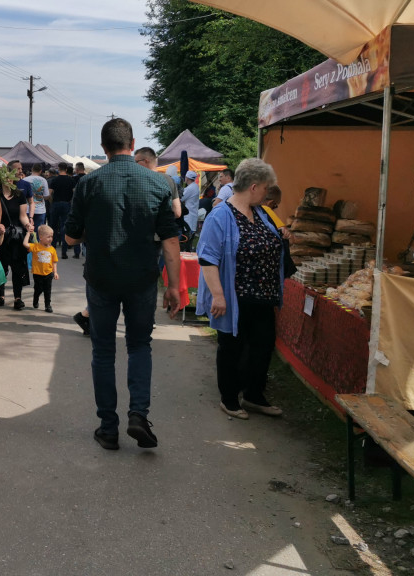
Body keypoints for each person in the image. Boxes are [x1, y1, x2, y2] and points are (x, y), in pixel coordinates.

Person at [65, 118, 181, 451]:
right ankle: (138, 415)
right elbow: (171, 242)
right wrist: (173, 287)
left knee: (103, 351)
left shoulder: (88, 184)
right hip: (142, 279)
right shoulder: (158, 184)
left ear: (103, 147)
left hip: (101, 279)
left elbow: (71, 236)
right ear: (132, 142)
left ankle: (108, 427)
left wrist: (94, 230)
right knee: (139, 345)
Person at [195, 158, 285, 421]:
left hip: (263, 296)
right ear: (254, 187)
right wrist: (219, 296)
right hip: (235, 297)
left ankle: (254, 395)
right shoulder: (220, 215)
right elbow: (208, 258)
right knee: (232, 347)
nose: (268, 193)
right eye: (266, 188)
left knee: (263, 346)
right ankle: (230, 398)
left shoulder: (261, 213)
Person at [0, 163, 34, 309]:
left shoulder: (19, 194)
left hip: (16, 237)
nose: (9, 180)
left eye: (11, 177)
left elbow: (23, 216)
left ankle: (18, 298)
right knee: (1, 268)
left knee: (18, 268)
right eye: (6, 177)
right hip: (1, 237)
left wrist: (27, 224)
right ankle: (1, 296)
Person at [24, 225, 59, 312]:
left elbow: (54, 262)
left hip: (48, 273)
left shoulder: (52, 249)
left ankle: (48, 305)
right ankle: (35, 299)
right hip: (37, 274)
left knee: (48, 290)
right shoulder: (35, 246)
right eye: (48, 237)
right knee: (38, 289)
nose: (50, 239)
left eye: (51, 236)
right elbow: (25, 244)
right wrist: (28, 233)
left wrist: (55, 272)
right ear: (41, 237)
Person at [50, 163, 79, 259]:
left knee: (53, 227)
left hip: (56, 203)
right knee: (64, 227)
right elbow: (75, 193)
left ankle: (52, 250)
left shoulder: (54, 180)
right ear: (66, 169)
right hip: (66, 204)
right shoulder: (71, 180)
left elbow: (50, 193)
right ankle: (64, 252)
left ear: (58, 169)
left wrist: (52, 202)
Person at [23, 163, 50, 230]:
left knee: (27, 232)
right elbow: (46, 196)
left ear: (32, 169)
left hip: (27, 209)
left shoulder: (25, 179)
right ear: (40, 171)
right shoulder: (43, 180)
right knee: (38, 232)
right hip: (40, 210)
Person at [181, 170, 200, 238]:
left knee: (187, 234)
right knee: (190, 233)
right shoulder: (195, 186)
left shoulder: (190, 188)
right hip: (193, 213)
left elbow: (181, 198)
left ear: (187, 178)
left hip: (189, 214)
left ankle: (187, 247)